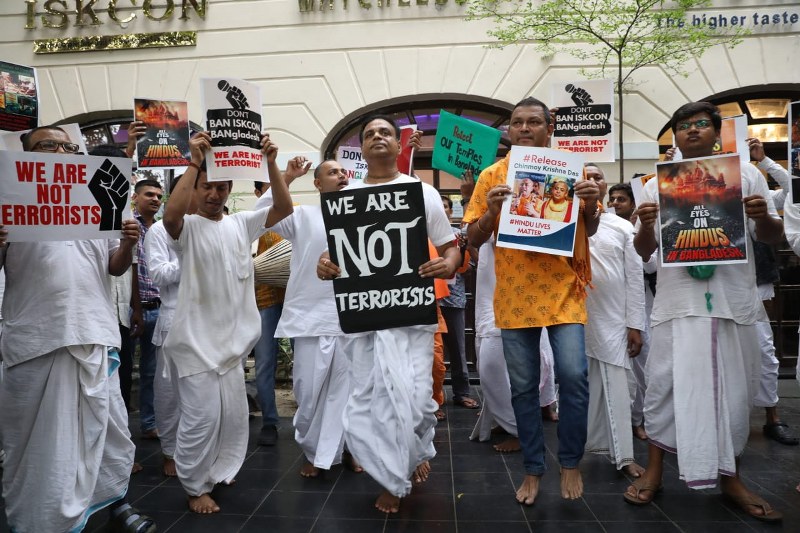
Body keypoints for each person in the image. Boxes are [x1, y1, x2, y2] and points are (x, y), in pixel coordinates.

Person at [627, 102, 783, 523]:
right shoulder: (654, 186)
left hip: (732, 302)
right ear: (674, 136)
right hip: (678, 305)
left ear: (716, 132)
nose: (691, 131)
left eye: (700, 124)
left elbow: (770, 235)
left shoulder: (746, 175)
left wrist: (763, 216)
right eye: (683, 126)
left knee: (732, 393)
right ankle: (655, 470)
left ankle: (730, 477)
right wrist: (644, 225)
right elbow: (644, 252)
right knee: (663, 387)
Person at [0, 125, 154, 532]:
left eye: (69, 146)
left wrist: (127, 243)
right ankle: (38, 520)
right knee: (36, 442)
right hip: (36, 337)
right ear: (26, 155)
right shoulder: (8, 200)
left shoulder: (98, 198)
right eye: (48, 145)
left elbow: (114, 267)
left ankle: (115, 505)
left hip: (94, 333)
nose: (62, 151)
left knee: (106, 430)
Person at [316, 115, 460, 514]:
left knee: (414, 402)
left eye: (386, 133)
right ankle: (394, 478)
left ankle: (408, 460)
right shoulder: (347, 197)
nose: (377, 138)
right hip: (365, 323)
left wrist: (448, 264)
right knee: (367, 405)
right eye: (369, 135)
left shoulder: (422, 192)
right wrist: (324, 265)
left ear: (400, 146)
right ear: (362, 149)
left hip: (412, 319)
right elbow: (337, 254)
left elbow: (451, 248)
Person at [464, 96, 600, 505]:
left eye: (534, 122)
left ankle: (571, 462)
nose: (524, 128)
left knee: (574, 377)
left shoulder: (572, 171)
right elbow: (472, 240)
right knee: (522, 387)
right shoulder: (493, 174)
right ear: (509, 130)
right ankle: (533, 468)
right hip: (515, 296)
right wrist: (489, 213)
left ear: (549, 127)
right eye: (518, 123)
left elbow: (589, 230)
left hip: (564, 291)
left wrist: (591, 202)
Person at [162, 131, 293, 514]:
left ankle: (217, 470)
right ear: (196, 188)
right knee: (201, 420)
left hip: (232, 346)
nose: (214, 195)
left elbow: (282, 210)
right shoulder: (186, 227)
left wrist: (271, 163)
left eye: (221, 188)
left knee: (231, 418)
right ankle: (193, 486)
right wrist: (194, 160)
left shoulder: (240, 224)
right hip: (194, 345)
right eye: (207, 187)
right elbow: (171, 215)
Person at [255, 159, 362, 477]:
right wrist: (287, 176)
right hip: (309, 317)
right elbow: (264, 211)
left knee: (348, 391)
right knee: (308, 389)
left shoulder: (362, 217)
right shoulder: (301, 215)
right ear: (317, 184)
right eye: (332, 172)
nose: (341, 175)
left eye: (344, 172)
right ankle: (315, 452)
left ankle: (346, 450)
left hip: (351, 316)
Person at [582, 164, 645, 477]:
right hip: (571, 316)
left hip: (612, 318)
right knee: (580, 385)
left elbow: (635, 278)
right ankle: (585, 447)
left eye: (598, 177)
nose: (593, 181)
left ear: (605, 186)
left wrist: (635, 323)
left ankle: (624, 456)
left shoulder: (622, 227)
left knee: (619, 384)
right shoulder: (564, 221)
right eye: (586, 176)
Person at [745, 136, 799, 446]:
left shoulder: (754, 184)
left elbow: (793, 192)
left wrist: (763, 161)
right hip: (711, 283)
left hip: (755, 280)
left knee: (763, 350)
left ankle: (771, 417)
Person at [145, 173, 199, 478]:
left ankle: (205, 454)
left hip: (210, 322)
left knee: (204, 392)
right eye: (190, 189)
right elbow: (158, 275)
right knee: (170, 392)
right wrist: (194, 259)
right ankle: (170, 451)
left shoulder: (212, 225)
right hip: (174, 320)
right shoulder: (157, 232)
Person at [130, 178, 164, 440]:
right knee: (121, 370)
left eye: (159, 196)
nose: (155, 199)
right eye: (149, 194)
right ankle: (119, 435)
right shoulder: (128, 226)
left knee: (153, 372)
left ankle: (149, 423)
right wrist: (136, 310)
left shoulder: (164, 229)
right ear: (136, 197)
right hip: (130, 310)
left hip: (159, 308)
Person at [439, 195, 479, 409]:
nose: (442, 209)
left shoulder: (458, 236)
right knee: (431, 353)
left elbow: (469, 269)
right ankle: (433, 398)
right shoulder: (422, 233)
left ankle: (462, 392)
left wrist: (462, 250)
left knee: (458, 350)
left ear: (450, 211)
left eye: (445, 206)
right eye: (439, 206)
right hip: (431, 300)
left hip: (453, 299)